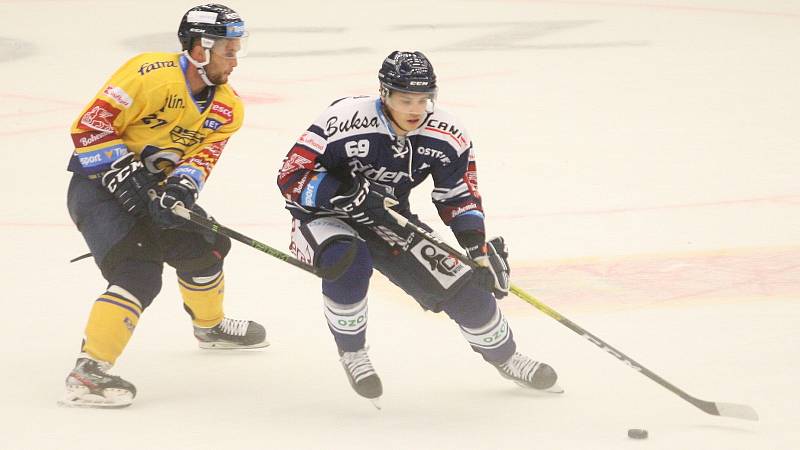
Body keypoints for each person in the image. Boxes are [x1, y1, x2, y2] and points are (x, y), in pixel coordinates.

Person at [276, 50, 561, 406]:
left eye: (424, 99)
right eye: (405, 99)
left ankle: (507, 358)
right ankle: (352, 352)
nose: (416, 109)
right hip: (320, 216)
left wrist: (477, 249)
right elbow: (291, 175)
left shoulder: (448, 133)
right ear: (384, 93)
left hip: (389, 220)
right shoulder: (343, 119)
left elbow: (458, 193)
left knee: (467, 290)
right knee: (349, 259)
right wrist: (345, 191)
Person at [60, 4, 267, 409]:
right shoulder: (146, 73)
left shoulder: (228, 107)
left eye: (237, 49)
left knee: (204, 249)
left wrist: (180, 191)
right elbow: (89, 128)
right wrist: (127, 177)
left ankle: (210, 329)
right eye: (228, 50)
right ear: (200, 48)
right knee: (138, 272)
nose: (235, 60)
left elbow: (201, 159)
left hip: (153, 191)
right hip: (97, 187)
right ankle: (88, 371)